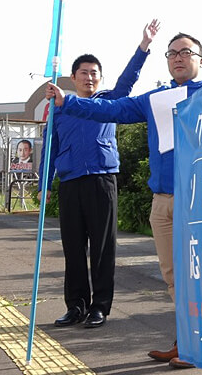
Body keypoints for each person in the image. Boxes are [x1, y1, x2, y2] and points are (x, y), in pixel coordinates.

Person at [46, 32, 202, 369]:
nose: (178, 57)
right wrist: (67, 102)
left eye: (186, 52)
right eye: (172, 53)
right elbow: (113, 111)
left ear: (200, 60)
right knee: (172, 275)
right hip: (159, 199)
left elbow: (118, 95)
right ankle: (187, 342)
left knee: (201, 273)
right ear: (73, 78)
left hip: (198, 198)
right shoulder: (156, 98)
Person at [38, 20, 160, 329]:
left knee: (103, 248)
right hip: (69, 184)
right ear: (73, 77)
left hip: (102, 182)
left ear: (100, 78)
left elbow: (127, 83)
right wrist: (44, 184)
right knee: (73, 247)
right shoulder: (60, 108)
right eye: (84, 72)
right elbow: (50, 149)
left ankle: (99, 307)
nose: (89, 77)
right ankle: (75, 306)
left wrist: (143, 47)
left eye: (94, 73)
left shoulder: (108, 101)